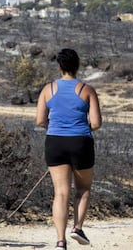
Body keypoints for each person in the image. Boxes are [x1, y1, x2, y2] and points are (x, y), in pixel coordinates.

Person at [36, 48, 102, 250]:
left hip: (55, 142)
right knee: (82, 189)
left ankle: (60, 242)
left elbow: (40, 120)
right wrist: (79, 128)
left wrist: (56, 128)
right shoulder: (86, 90)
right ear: (78, 65)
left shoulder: (48, 89)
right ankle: (77, 228)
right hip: (80, 142)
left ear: (59, 66)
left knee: (61, 193)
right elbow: (97, 123)